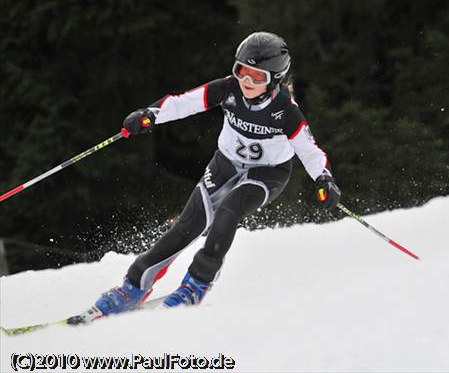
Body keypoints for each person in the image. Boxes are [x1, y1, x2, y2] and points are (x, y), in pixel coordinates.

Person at [91, 32, 341, 317]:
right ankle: (133, 286)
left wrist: (324, 179)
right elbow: (183, 103)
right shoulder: (228, 89)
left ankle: (196, 284)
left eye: (257, 77)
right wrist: (149, 114)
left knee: (229, 209)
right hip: (225, 164)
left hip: (267, 174)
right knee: (188, 225)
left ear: (275, 79)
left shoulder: (285, 110)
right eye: (242, 72)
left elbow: (309, 150)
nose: (246, 82)